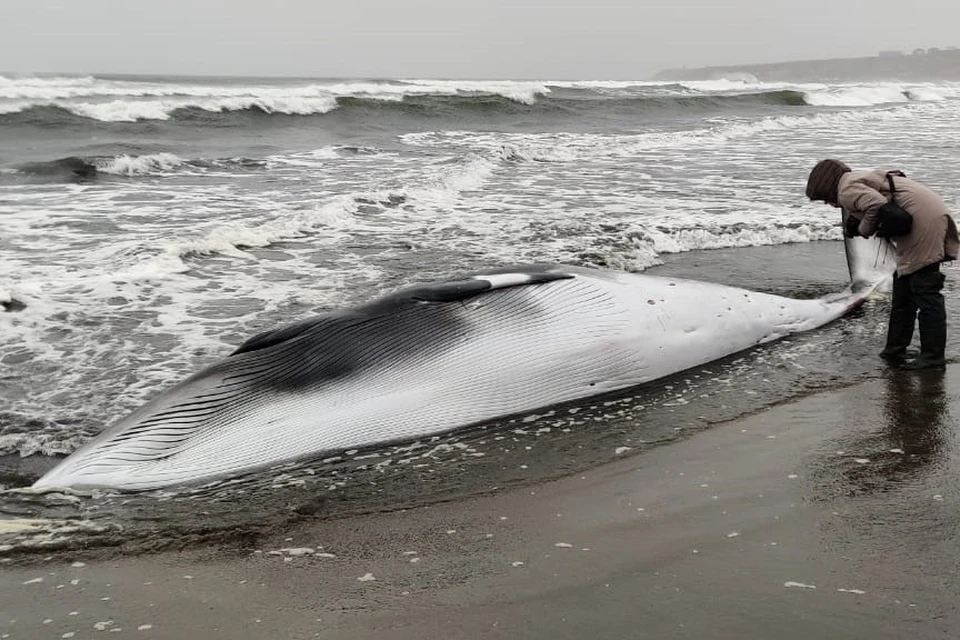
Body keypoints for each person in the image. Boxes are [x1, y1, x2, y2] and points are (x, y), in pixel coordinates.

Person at [806, 159, 959, 370]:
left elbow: (877, 205)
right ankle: (895, 351)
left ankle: (933, 358)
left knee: (926, 291)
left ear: (826, 185)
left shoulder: (846, 189)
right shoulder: (854, 180)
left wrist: (864, 230)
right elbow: (879, 202)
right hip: (929, 216)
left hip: (923, 225)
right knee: (904, 290)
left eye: (824, 199)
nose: (829, 204)